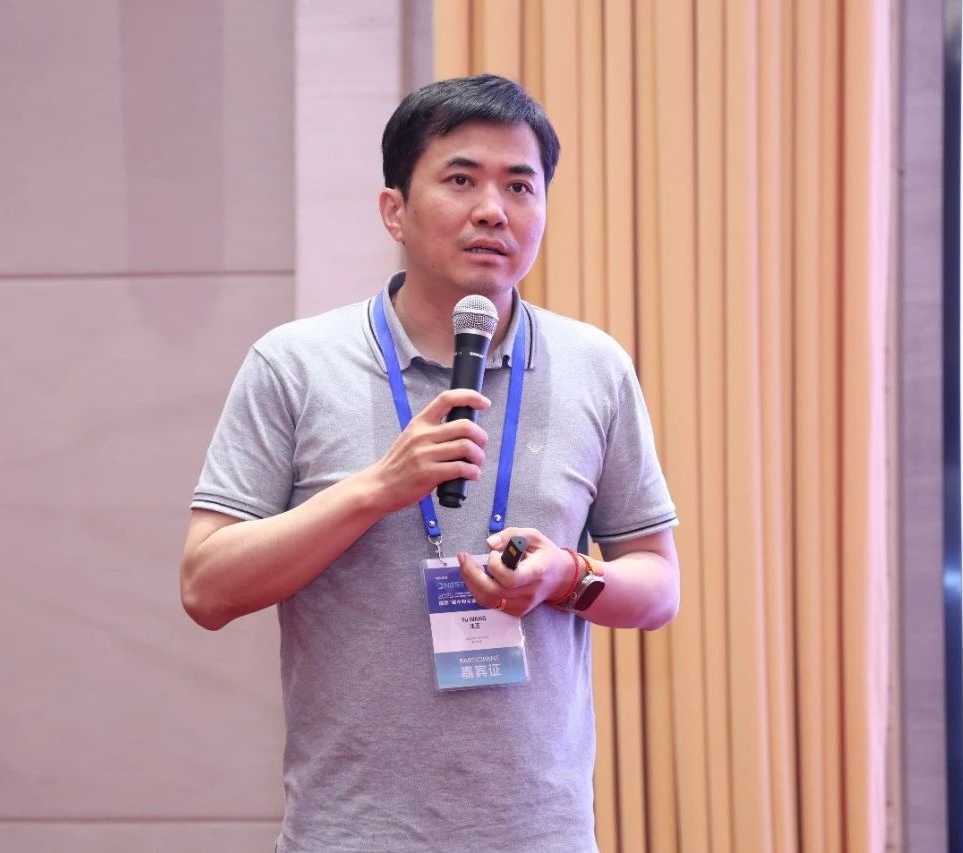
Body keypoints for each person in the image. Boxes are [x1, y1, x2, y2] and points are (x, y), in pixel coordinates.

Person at [180, 74, 680, 852]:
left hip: (541, 834)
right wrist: (376, 489)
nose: (494, 209)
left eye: (520, 186)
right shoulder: (295, 364)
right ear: (395, 211)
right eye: (461, 179)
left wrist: (566, 577)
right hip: (352, 832)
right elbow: (206, 586)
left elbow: (657, 585)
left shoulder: (595, 367)